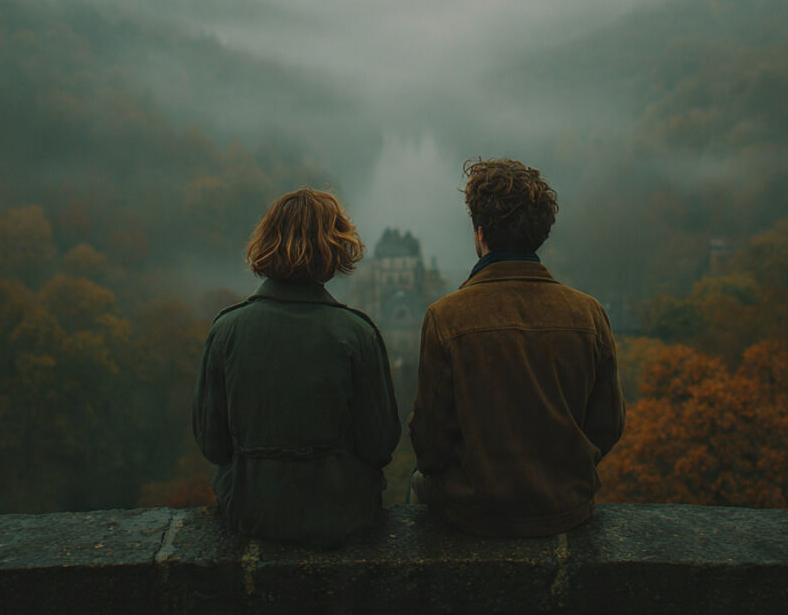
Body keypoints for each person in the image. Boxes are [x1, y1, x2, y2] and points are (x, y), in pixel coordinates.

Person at [409, 158, 625, 537]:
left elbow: (430, 444)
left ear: (479, 234)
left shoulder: (446, 317)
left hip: (473, 511)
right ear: (540, 234)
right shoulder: (588, 314)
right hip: (566, 508)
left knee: (416, 487)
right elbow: (607, 424)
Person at [192, 188, 401, 547]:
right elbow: (379, 446)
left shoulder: (226, 330)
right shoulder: (357, 333)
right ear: (335, 248)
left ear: (266, 241)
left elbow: (213, 446)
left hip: (250, 510)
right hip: (341, 512)